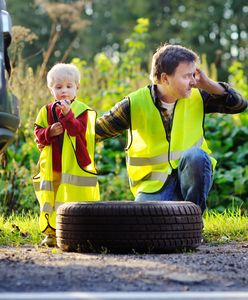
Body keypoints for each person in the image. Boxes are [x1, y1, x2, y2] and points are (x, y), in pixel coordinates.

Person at [95, 44, 247, 213]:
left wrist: (208, 83)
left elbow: (240, 105)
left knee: (196, 155)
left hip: (189, 177)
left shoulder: (198, 95)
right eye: (186, 76)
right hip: (153, 187)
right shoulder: (134, 103)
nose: (192, 81)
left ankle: (194, 219)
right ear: (165, 78)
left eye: (193, 75)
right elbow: (97, 131)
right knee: (146, 226)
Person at [33, 63, 100, 247]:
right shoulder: (45, 111)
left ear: (77, 87)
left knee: (74, 198)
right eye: (58, 87)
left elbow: (76, 130)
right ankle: (51, 233)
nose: (64, 91)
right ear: (51, 89)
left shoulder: (82, 110)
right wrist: (49, 132)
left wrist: (68, 114)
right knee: (51, 200)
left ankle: (79, 232)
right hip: (53, 166)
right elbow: (37, 134)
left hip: (75, 165)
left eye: (69, 86)